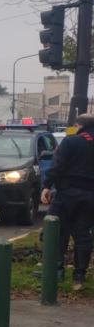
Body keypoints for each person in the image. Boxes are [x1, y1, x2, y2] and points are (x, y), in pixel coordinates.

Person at [41, 113, 94, 291]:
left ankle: (56, 271)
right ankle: (79, 276)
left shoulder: (71, 141)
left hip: (67, 194)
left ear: (79, 125)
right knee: (83, 235)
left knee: (55, 230)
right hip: (89, 197)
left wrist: (47, 186)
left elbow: (58, 165)